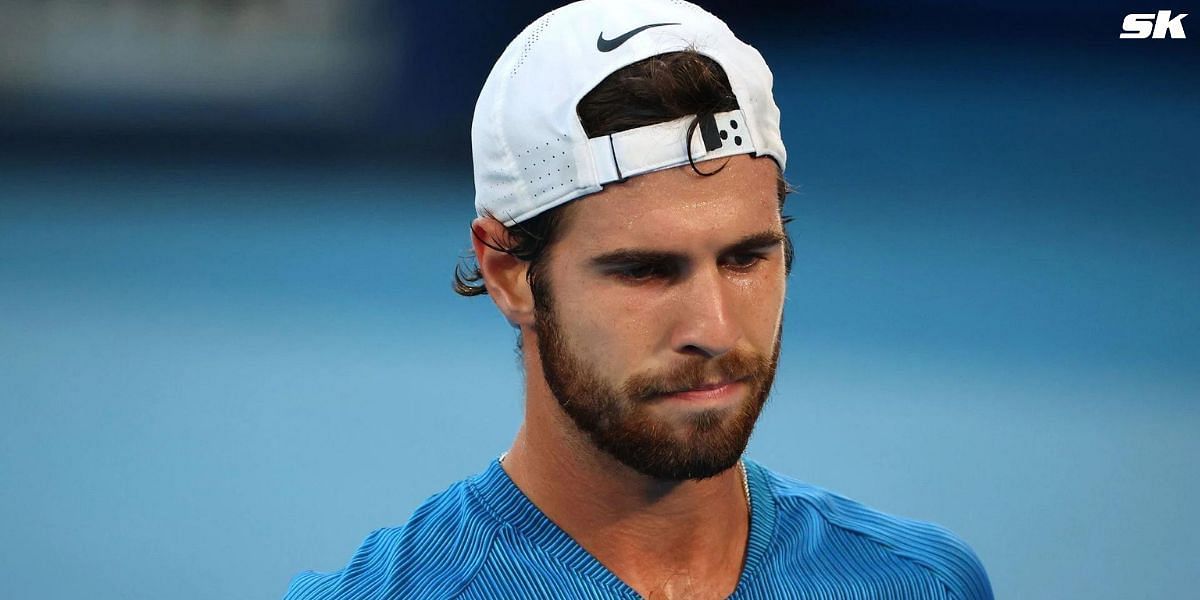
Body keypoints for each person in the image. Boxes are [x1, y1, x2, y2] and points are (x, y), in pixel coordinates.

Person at [285, 0, 993, 598]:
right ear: (506, 272)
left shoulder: (920, 583)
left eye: (747, 257)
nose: (714, 331)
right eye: (645, 271)